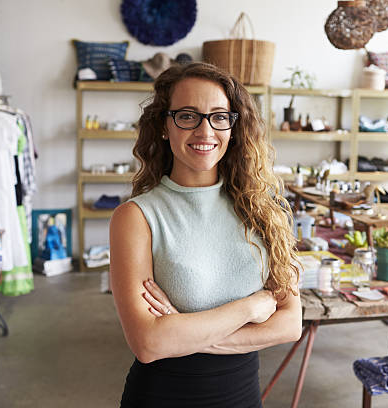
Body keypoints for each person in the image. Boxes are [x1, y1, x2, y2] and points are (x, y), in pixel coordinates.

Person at [109, 62, 302, 407]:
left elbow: (289, 324)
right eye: (187, 116)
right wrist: (249, 307)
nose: (205, 130)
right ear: (165, 125)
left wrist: (183, 331)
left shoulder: (262, 209)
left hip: (243, 397)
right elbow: (149, 344)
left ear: (233, 126)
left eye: (219, 116)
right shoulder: (136, 218)